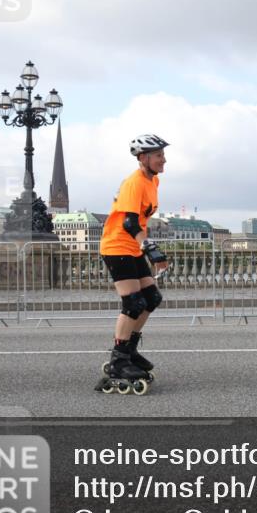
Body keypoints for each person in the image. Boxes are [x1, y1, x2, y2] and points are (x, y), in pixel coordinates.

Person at [95, 134, 170, 395]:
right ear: (143, 158)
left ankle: (129, 350)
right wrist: (152, 249)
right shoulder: (134, 183)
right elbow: (129, 224)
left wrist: (145, 248)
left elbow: (139, 221)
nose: (164, 159)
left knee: (151, 298)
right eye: (159, 155)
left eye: (162, 154)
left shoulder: (154, 181)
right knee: (134, 304)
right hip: (117, 246)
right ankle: (118, 361)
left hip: (131, 248)